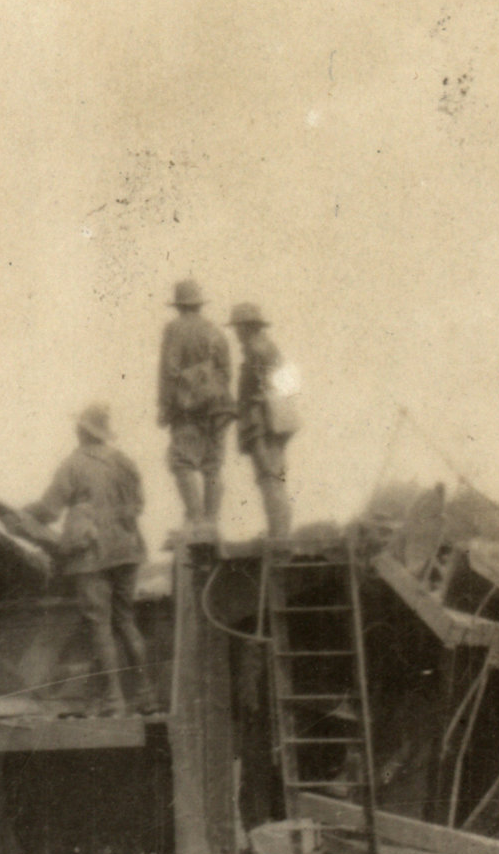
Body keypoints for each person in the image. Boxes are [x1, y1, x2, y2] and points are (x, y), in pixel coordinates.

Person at [25, 405, 156, 717]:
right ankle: (147, 695)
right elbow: (138, 503)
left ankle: (114, 700)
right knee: (125, 620)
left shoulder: (74, 464)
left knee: (100, 626)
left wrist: (25, 514)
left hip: (92, 555)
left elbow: (50, 509)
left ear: (83, 431)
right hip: (128, 550)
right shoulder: (124, 462)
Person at [157, 279, 233, 526]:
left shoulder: (174, 329)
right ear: (199, 304)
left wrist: (164, 407)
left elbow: (168, 370)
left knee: (182, 462)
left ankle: (196, 517)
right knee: (213, 465)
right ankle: (211, 520)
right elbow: (226, 372)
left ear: (179, 305)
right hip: (218, 407)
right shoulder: (215, 330)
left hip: (186, 407)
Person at [229, 302, 296, 540]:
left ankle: (279, 534)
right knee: (275, 478)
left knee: (268, 478)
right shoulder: (271, 348)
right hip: (276, 424)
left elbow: (256, 392)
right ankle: (281, 531)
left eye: (238, 327)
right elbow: (285, 387)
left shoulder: (255, 351)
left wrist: (242, 410)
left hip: (261, 424)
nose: (236, 333)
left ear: (247, 327)